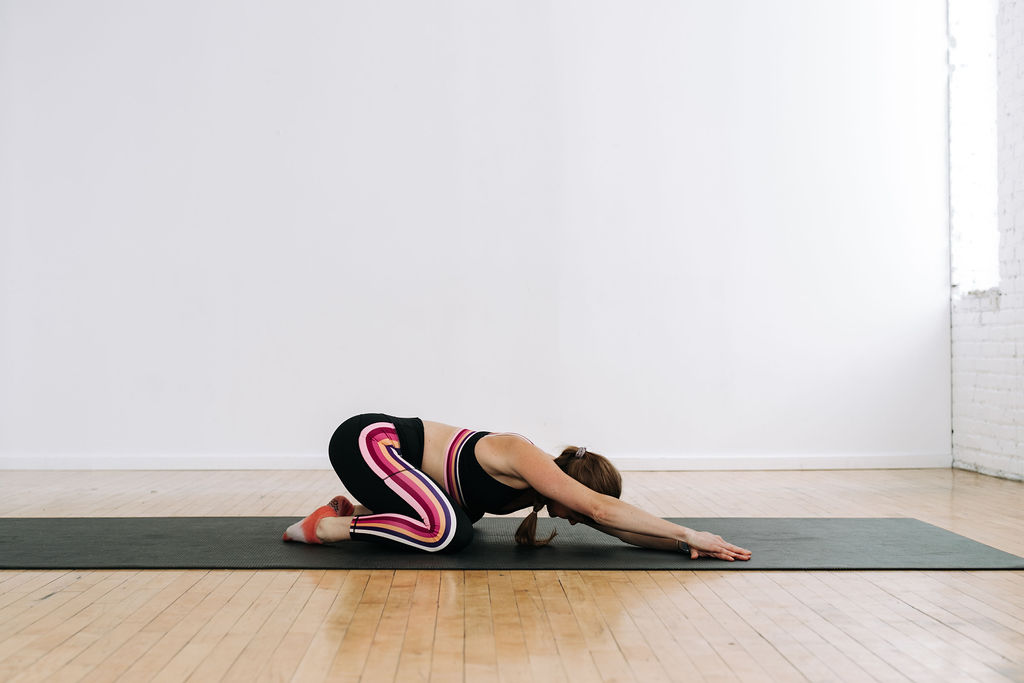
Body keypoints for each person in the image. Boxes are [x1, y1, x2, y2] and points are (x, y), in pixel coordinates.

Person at [283, 413, 751, 561]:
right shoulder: (529, 460)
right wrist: (691, 532)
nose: (573, 518)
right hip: (369, 440)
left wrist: (676, 546)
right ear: (572, 485)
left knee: (461, 518)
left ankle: (353, 508)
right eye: (577, 506)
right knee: (450, 533)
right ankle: (328, 528)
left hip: (389, 462)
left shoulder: (548, 491)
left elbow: (612, 525)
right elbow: (603, 511)